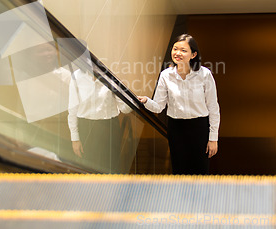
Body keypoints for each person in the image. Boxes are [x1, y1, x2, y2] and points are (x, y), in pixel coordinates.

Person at [138, 34, 220, 175]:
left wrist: (213, 138)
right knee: (179, 170)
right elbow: (159, 106)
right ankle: (182, 197)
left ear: (193, 54)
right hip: (177, 128)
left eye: (183, 50)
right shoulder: (166, 75)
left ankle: (201, 197)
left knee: (200, 171)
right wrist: (146, 101)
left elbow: (213, 107)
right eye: (175, 49)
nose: (178, 53)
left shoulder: (204, 74)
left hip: (199, 127)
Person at [68, 68, 132, 173]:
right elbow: (72, 110)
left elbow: (125, 109)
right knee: (88, 169)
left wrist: (125, 93)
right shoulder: (77, 76)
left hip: (110, 127)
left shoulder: (110, 76)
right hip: (86, 127)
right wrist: (75, 138)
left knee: (111, 168)